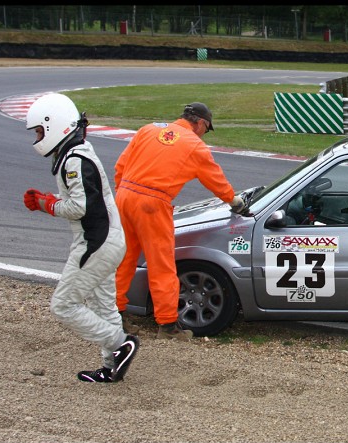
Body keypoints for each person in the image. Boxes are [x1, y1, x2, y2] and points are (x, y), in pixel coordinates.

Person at [23, 93, 138, 383]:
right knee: (104, 305)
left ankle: (119, 344)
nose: (37, 137)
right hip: (109, 239)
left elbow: (80, 207)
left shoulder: (74, 159)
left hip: (95, 243)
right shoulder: (79, 150)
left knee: (63, 305)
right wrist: (49, 200)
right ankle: (111, 366)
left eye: (39, 131)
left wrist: (46, 204)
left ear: (53, 125)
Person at [114, 102, 245, 341]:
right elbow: (215, 180)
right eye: (207, 129)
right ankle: (167, 325)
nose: (205, 133)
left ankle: (114, 315)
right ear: (202, 123)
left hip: (124, 196)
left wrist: (123, 194)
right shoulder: (194, 145)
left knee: (124, 259)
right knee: (161, 265)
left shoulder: (148, 129)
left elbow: (120, 166)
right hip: (153, 204)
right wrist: (234, 201)